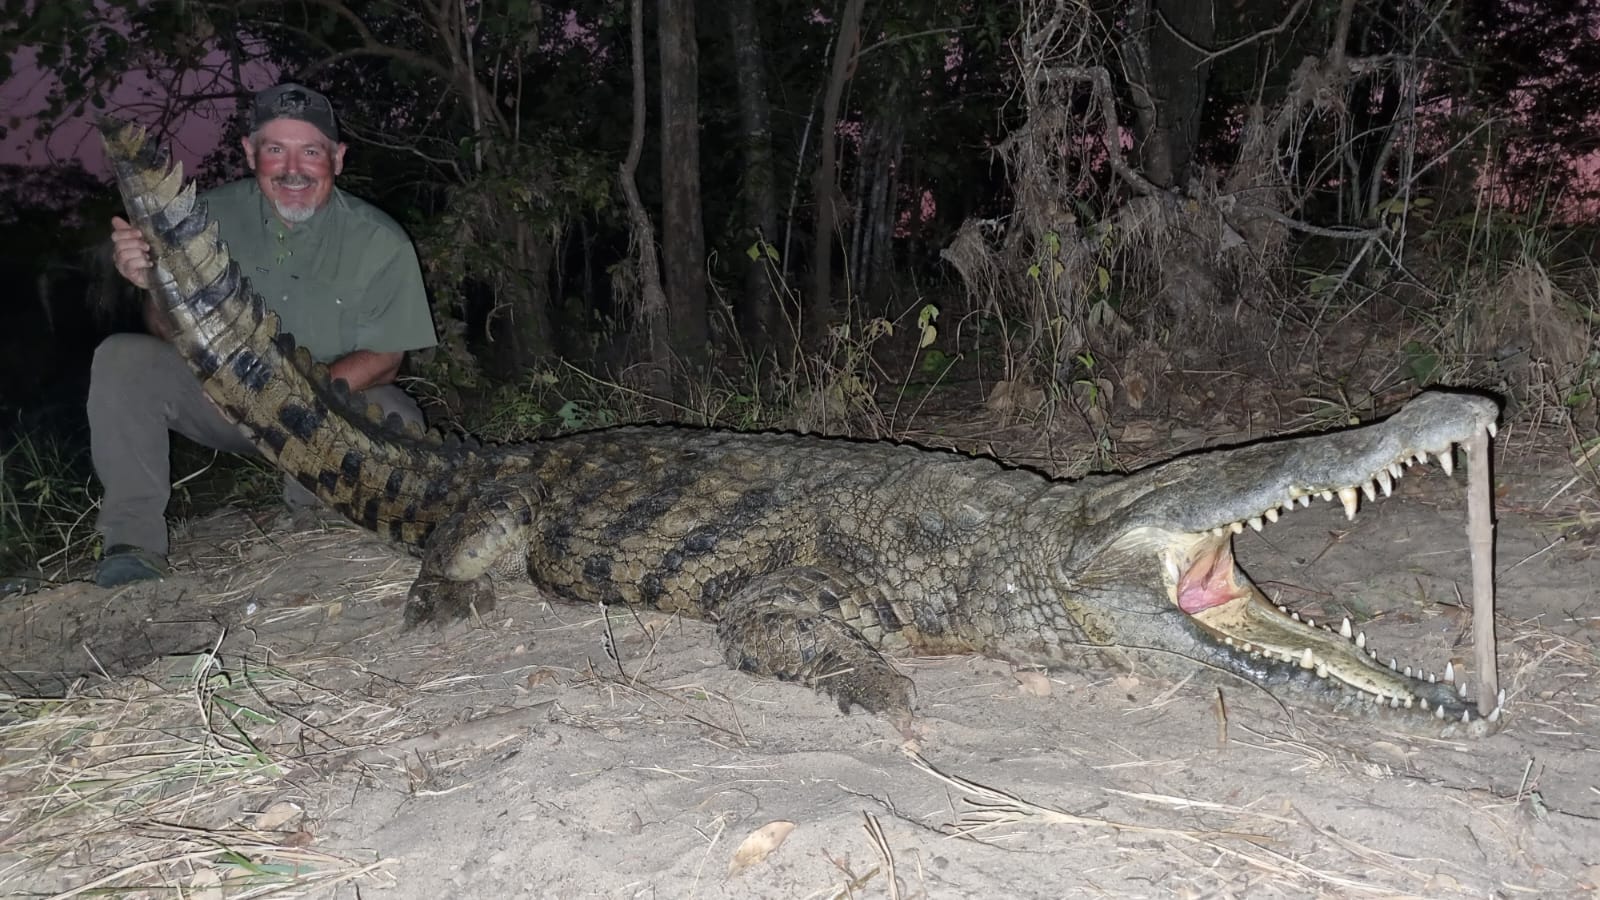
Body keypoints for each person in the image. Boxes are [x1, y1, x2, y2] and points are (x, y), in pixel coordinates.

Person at [89, 83, 438, 587]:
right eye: (276, 149)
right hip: (220, 400)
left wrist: (290, 399)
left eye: (311, 151)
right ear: (252, 154)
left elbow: (385, 359)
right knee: (122, 358)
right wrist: (152, 284)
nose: (293, 168)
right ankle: (132, 544)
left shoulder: (381, 240)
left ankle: (315, 513)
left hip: (324, 407)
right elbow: (163, 330)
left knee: (401, 417)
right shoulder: (200, 218)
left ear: (337, 159)